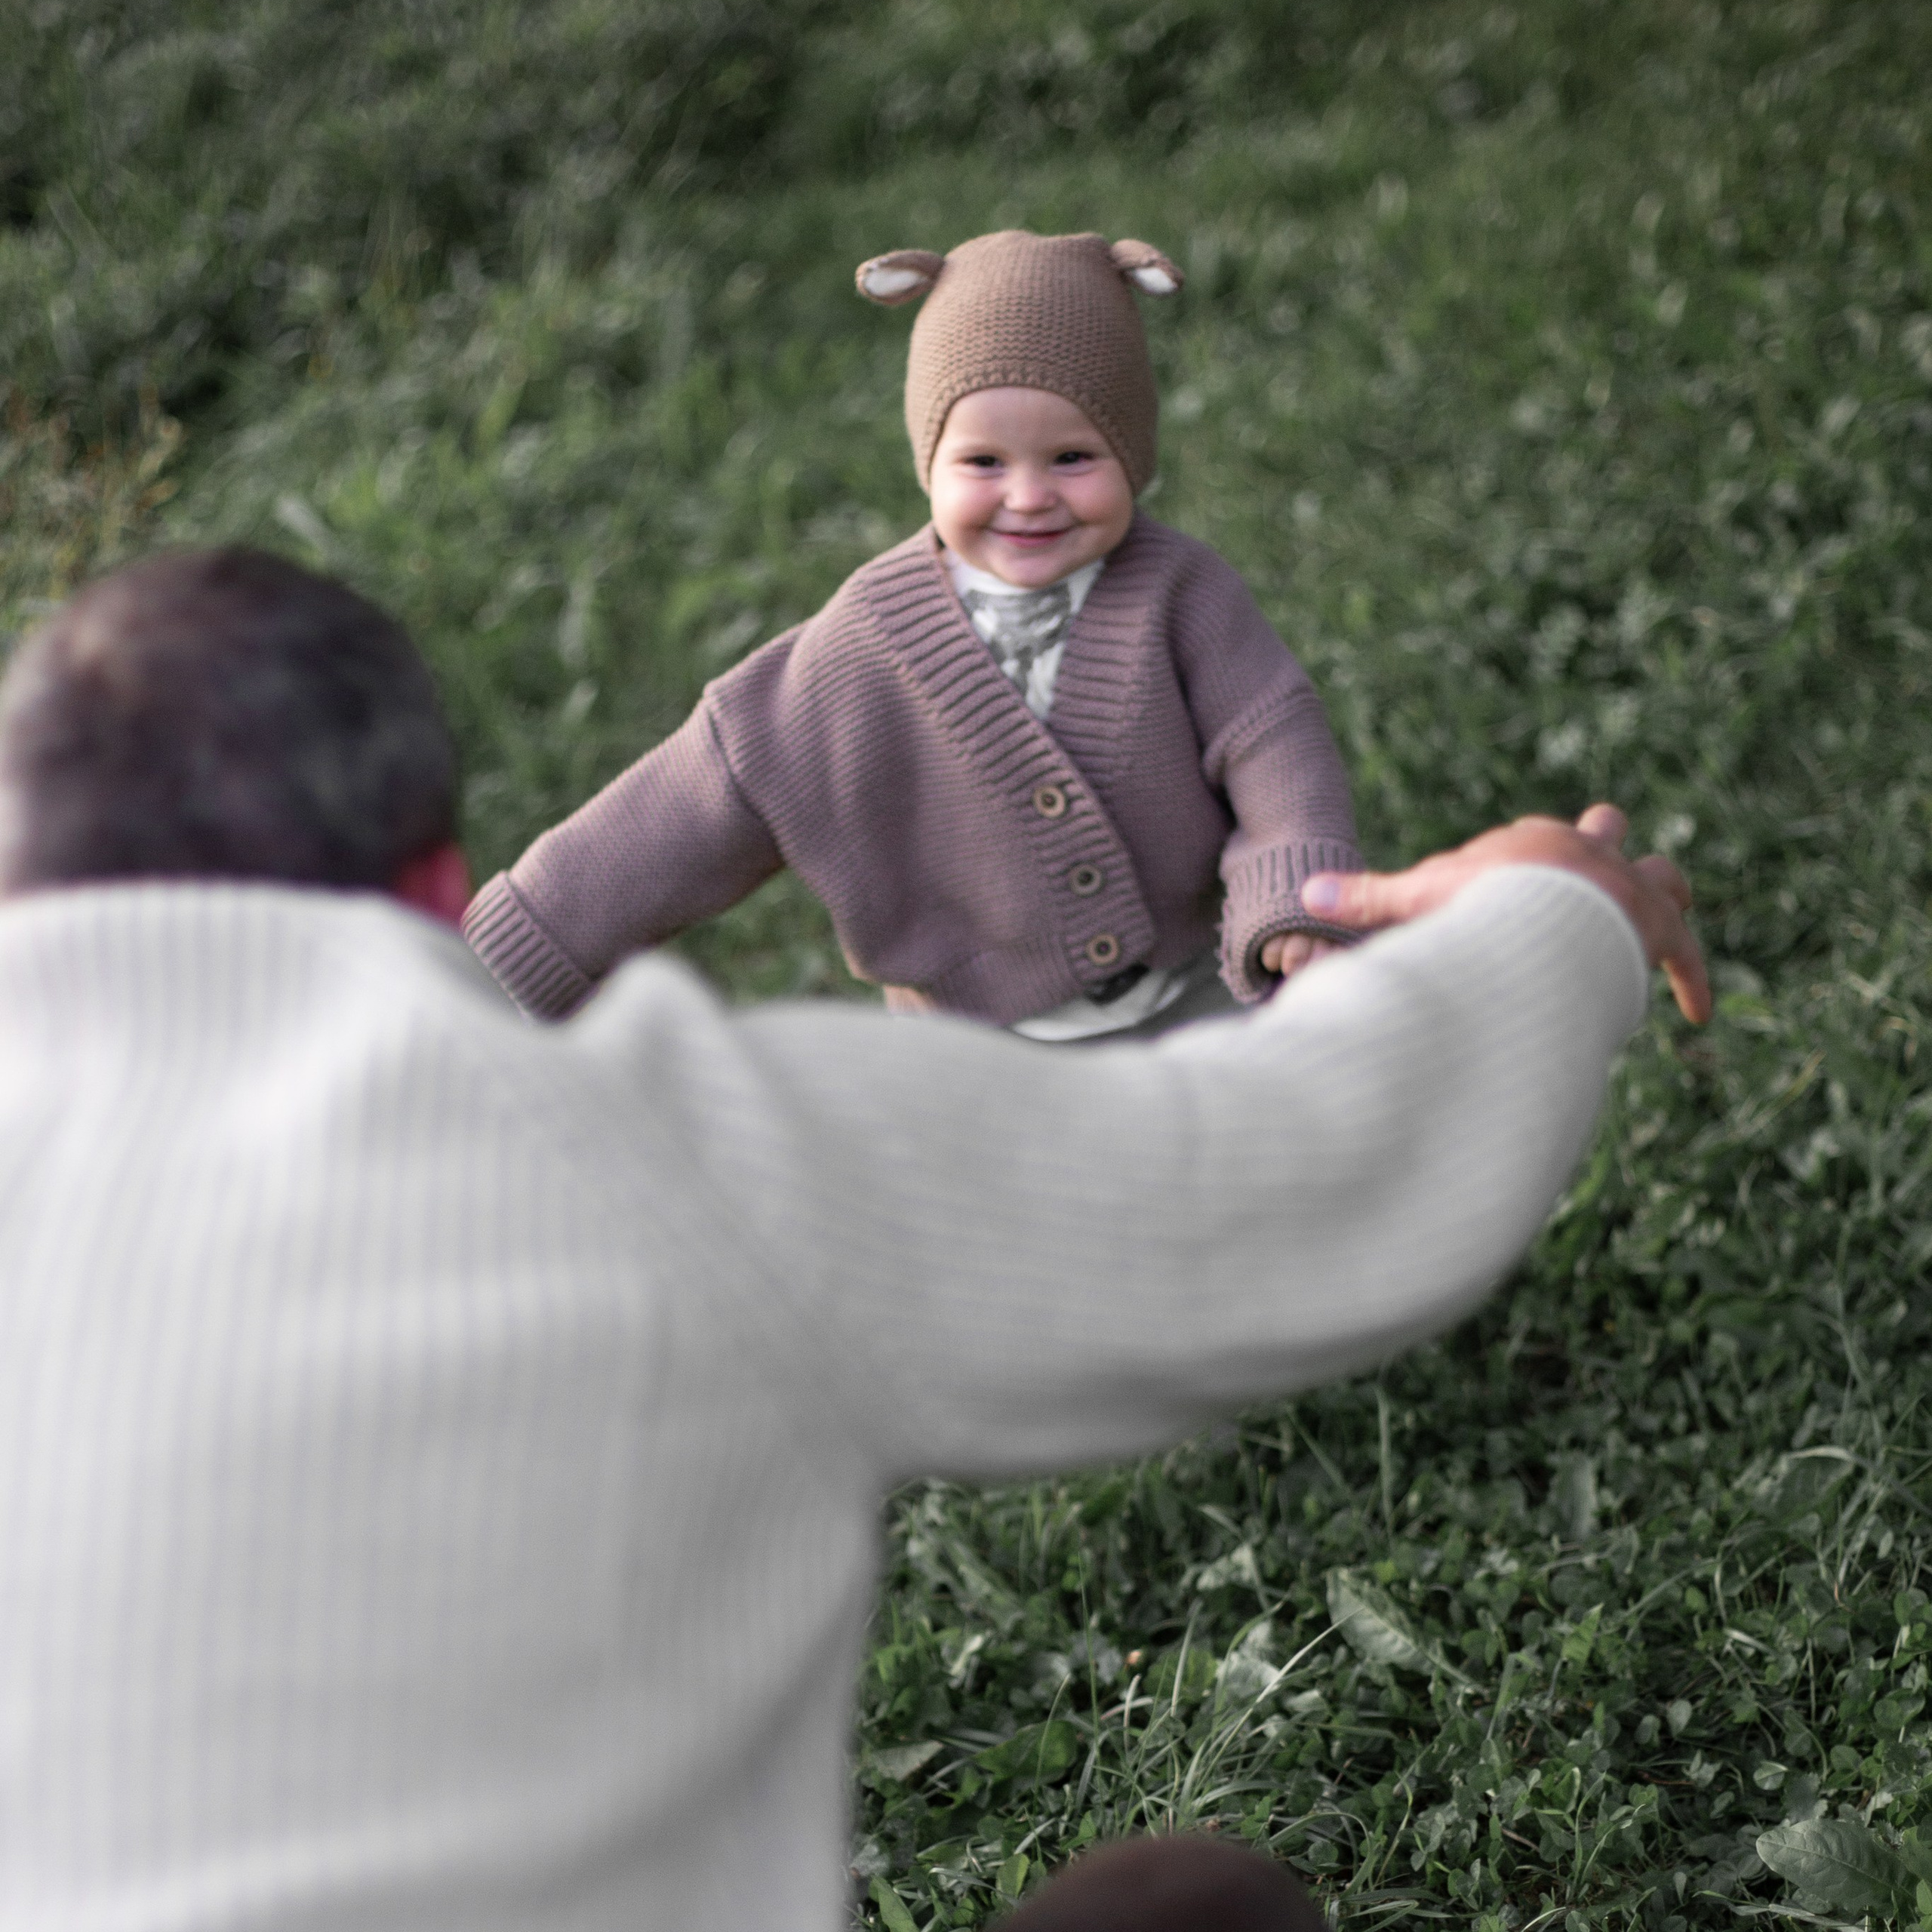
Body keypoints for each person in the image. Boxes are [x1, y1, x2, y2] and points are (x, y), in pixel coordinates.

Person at [0, 547, 1707, 1931]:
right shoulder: (660, 1155)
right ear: (440, 882)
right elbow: (1311, 1168)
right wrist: (1555, 904)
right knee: (1199, 1911)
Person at [463, 229, 1362, 1041]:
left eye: (1073, 458)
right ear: (927, 463)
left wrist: (1292, 895)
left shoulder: (1183, 595)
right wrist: (530, 940)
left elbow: (1271, 739)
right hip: (974, 1045)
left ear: (1133, 454)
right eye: (982, 462)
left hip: (1195, 990)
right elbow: (707, 790)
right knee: (1023, 1220)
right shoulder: (864, 642)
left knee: (1239, 1186)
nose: (1027, 494)